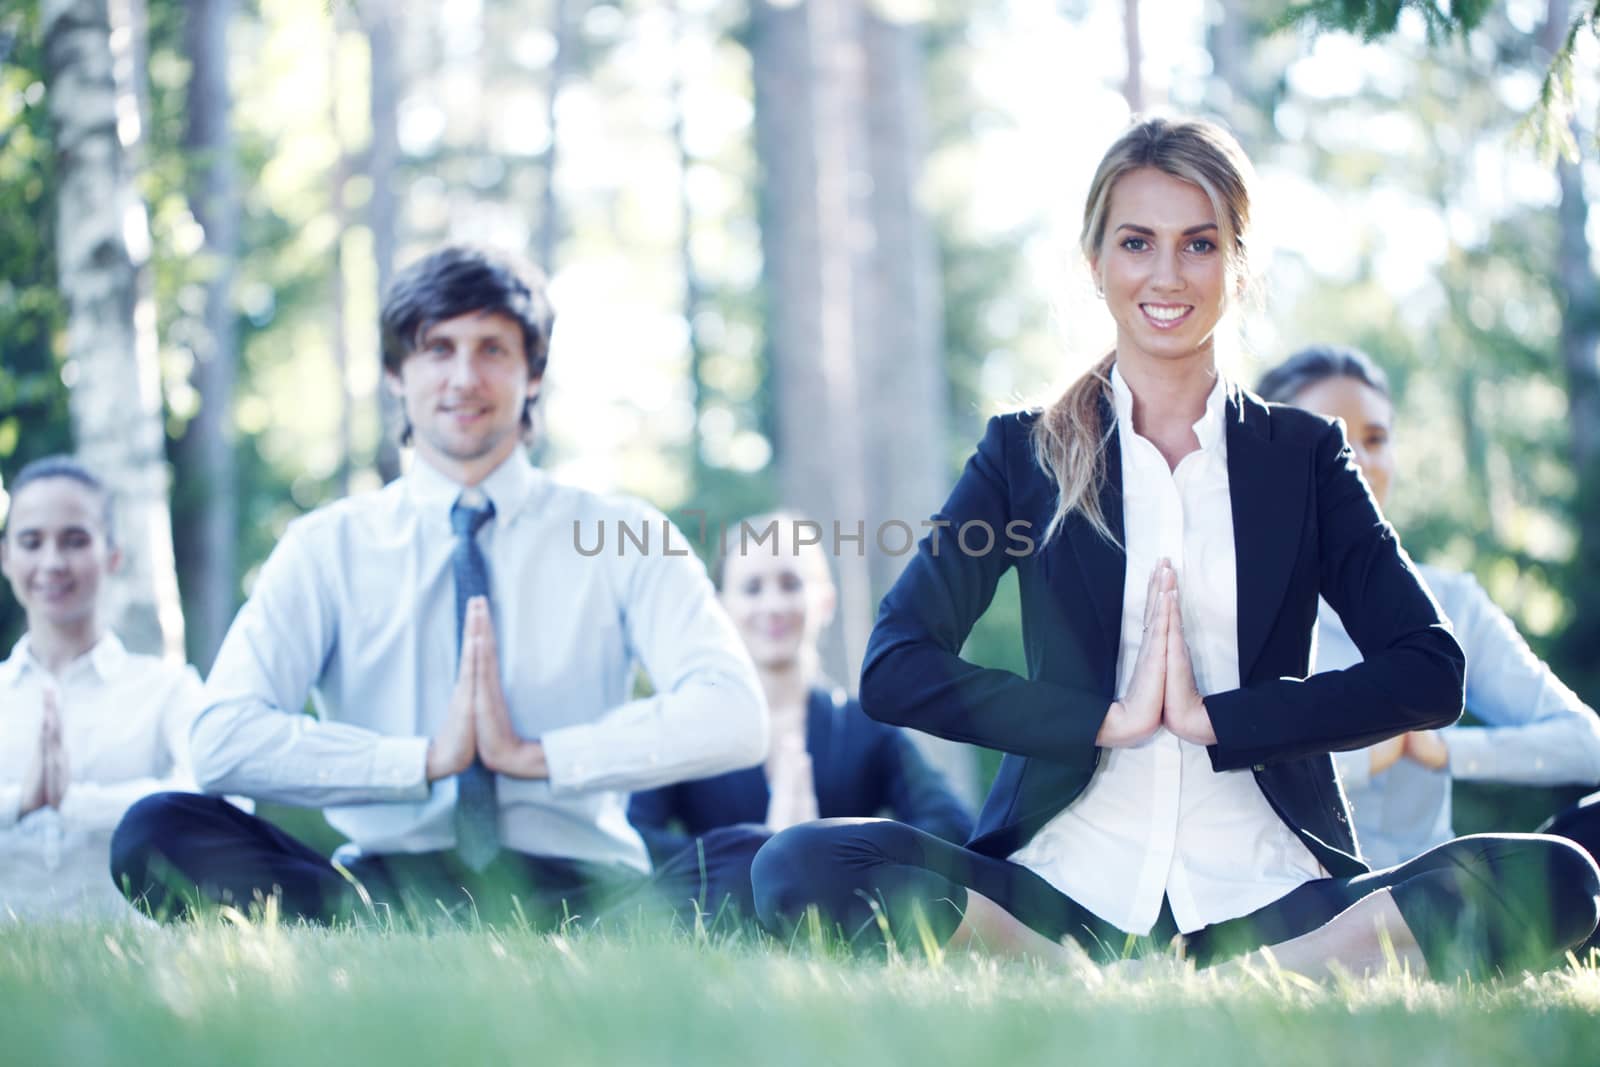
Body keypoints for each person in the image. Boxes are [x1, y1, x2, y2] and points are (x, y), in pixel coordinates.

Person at [748, 116, 1600, 980]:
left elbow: (1429, 670)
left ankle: (1258, 975)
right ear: (1097, 264)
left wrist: (1221, 720)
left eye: (1198, 244)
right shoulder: (1024, 453)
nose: (1166, 274)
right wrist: (1101, 722)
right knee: (799, 865)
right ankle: (1066, 974)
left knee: (1560, 878)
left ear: (1237, 263)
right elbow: (896, 664)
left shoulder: (1304, 457)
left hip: (1273, 883)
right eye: (1136, 242)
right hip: (1060, 880)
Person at [110, 245, 768, 926]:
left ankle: (594, 933)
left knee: (766, 859)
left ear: (532, 372)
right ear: (397, 372)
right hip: (381, 888)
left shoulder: (624, 532)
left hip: (589, 887)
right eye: (438, 349)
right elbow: (221, 741)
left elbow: (736, 716)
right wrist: (420, 760)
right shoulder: (326, 546)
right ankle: (373, 929)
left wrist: (538, 757)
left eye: (492, 349)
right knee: (158, 830)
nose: (464, 377)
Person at [1256, 344, 1600, 871]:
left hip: (1439, 890)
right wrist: (1374, 747)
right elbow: (1227, 776)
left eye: (1375, 439)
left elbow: (1585, 743)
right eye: (1333, 440)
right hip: (1300, 899)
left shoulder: (1450, 601)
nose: (1359, 462)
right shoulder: (1244, 607)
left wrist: (1443, 749)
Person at [628, 513, 973, 919]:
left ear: (824, 600)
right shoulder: (687, 726)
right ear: (721, 609)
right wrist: (755, 853)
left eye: (791, 584)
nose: (773, 606)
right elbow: (634, 838)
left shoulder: (867, 727)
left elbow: (950, 825)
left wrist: (835, 851)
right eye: (753, 588)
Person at [0, 457, 202, 918]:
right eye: (31, 542)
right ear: (5, 556)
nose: (52, 562)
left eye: (74, 541)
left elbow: (220, 800)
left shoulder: (168, 689)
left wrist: (75, 803)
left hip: (137, 975)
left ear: (112, 554)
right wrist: (19, 802)